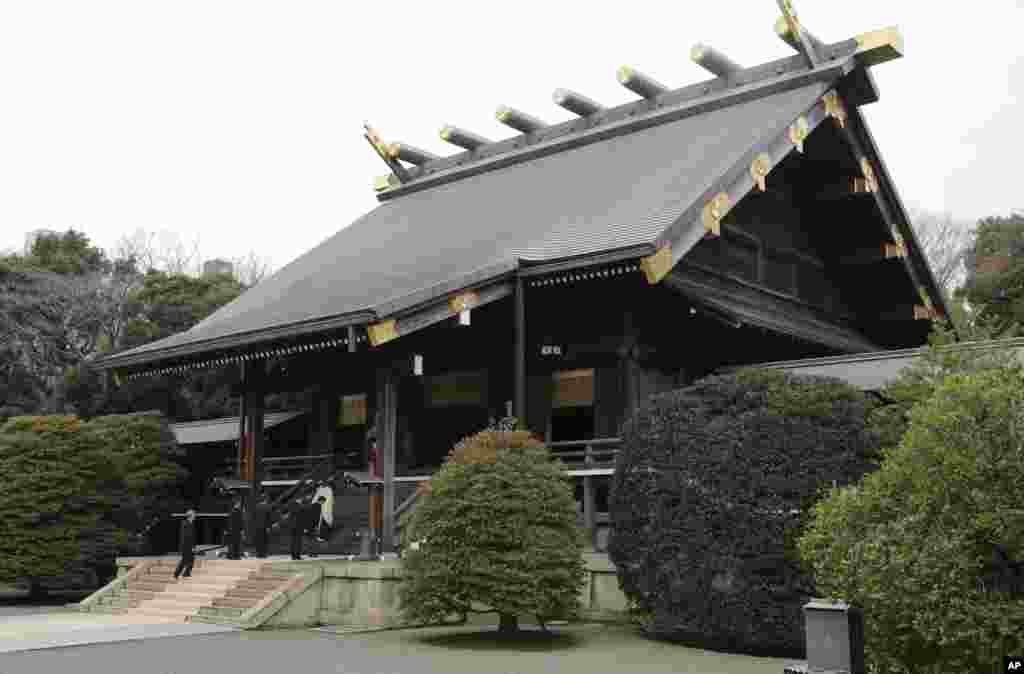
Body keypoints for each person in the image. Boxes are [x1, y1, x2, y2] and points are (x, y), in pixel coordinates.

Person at [174, 509, 197, 579]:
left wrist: (193, 546)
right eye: (194, 515)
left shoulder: (191, 524)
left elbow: (192, 536)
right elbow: (186, 537)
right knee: (185, 560)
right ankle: (177, 574)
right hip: (186, 546)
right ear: (190, 516)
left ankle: (185, 574)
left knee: (190, 560)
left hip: (189, 546)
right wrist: (191, 547)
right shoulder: (186, 524)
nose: (195, 516)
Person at [250, 494, 271, 558]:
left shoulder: (257, 506)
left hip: (257, 526)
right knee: (264, 540)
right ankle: (263, 553)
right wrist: (268, 527)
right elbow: (268, 518)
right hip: (264, 526)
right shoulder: (267, 507)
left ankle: (258, 553)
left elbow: (253, 516)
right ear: (266, 499)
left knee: (258, 540)